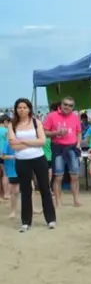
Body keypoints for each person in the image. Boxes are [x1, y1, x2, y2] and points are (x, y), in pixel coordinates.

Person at [7, 98, 56, 232]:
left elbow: (42, 141)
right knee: (26, 191)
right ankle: (26, 222)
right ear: (16, 109)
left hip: (38, 158)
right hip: (21, 160)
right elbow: (12, 144)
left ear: (29, 109)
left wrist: (21, 141)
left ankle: (51, 219)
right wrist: (29, 142)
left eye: (24, 107)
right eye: (19, 107)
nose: (21, 110)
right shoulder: (12, 125)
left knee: (45, 188)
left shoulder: (36, 122)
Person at [43, 96, 82, 207]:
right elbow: (44, 132)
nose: (67, 107)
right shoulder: (51, 116)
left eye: (70, 105)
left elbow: (79, 132)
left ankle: (76, 200)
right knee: (58, 176)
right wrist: (56, 133)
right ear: (61, 104)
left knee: (75, 175)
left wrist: (78, 144)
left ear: (73, 107)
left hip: (72, 148)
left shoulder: (75, 117)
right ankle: (58, 201)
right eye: (65, 104)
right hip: (58, 148)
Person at [1, 140, 19, 219]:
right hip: (13, 169)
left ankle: (32, 208)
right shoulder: (8, 142)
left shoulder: (24, 140)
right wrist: (13, 157)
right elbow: (2, 156)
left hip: (24, 167)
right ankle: (13, 211)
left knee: (30, 188)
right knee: (15, 190)